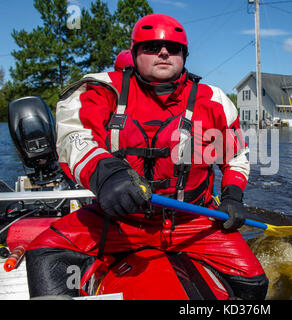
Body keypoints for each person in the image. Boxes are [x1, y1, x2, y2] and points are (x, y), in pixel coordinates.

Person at [25, 13, 268, 300]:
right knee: (44, 252)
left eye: (173, 49)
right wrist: (108, 173)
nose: (164, 52)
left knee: (253, 283)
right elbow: (74, 138)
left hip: (192, 220)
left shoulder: (213, 100)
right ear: (135, 53)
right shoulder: (100, 90)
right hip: (119, 219)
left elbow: (236, 156)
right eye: (151, 47)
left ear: (184, 56)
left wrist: (232, 197)